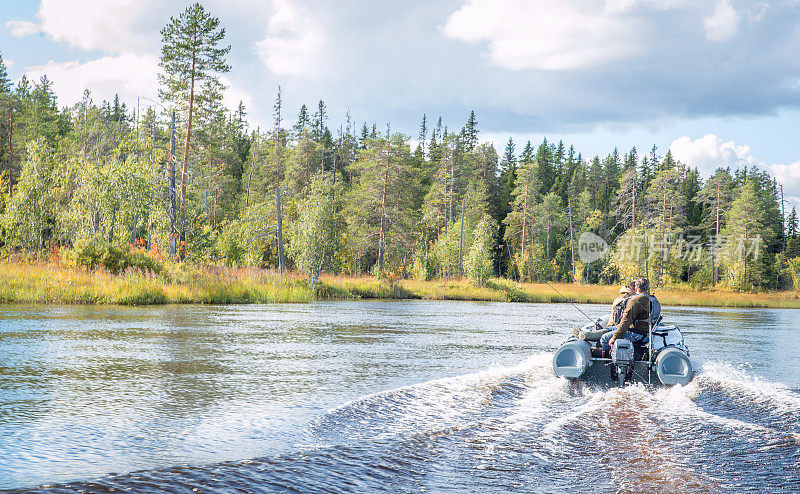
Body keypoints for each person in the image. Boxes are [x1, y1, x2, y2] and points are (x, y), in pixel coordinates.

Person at [601, 277, 653, 350]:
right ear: (649, 289)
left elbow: (626, 321)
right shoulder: (653, 300)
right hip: (648, 333)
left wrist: (615, 337)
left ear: (636, 289)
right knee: (607, 329)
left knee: (604, 338)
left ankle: (611, 359)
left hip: (638, 334)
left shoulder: (634, 301)